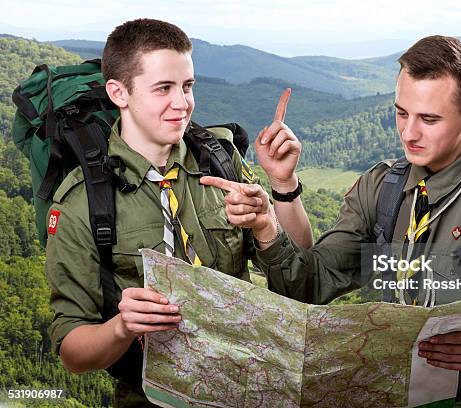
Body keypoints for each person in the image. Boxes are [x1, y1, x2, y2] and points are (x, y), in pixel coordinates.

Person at [207, 35, 461, 407]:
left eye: (429, 119)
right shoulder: (382, 188)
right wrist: (271, 217)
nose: (409, 133)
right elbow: (310, 285)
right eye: (402, 113)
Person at [44, 18, 310, 407]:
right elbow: (72, 350)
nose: (182, 103)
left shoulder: (219, 159)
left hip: (253, 383)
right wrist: (121, 327)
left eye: (187, 87)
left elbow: (302, 272)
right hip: (153, 398)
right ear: (119, 92)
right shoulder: (83, 202)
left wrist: (278, 199)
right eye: (163, 88)